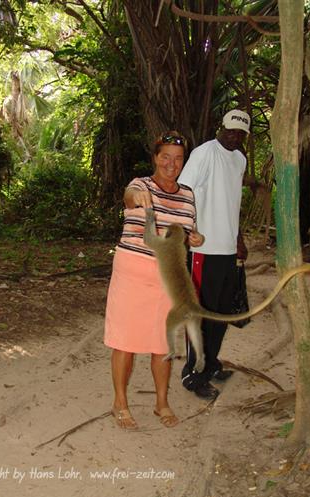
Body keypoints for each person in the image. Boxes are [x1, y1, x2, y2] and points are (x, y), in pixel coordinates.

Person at [104, 131, 205, 429]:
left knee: (163, 342)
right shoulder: (140, 185)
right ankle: (119, 403)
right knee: (125, 341)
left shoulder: (188, 196)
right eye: (165, 157)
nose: (171, 164)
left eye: (177, 159)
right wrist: (137, 198)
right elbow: (129, 196)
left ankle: (161, 403)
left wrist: (193, 238)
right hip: (133, 270)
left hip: (167, 275)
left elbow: (183, 233)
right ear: (155, 158)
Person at [177, 109, 250, 400]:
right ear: (221, 127)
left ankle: (212, 363)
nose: (234, 136)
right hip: (203, 249)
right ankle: (193, 375)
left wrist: (238, 237)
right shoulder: (205, 153)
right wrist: (187, 231)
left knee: (220, 313)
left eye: (240, 133)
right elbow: (184, 192)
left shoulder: (239, 159)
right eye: (230, 130)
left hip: (227, 250)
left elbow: (233, 203)